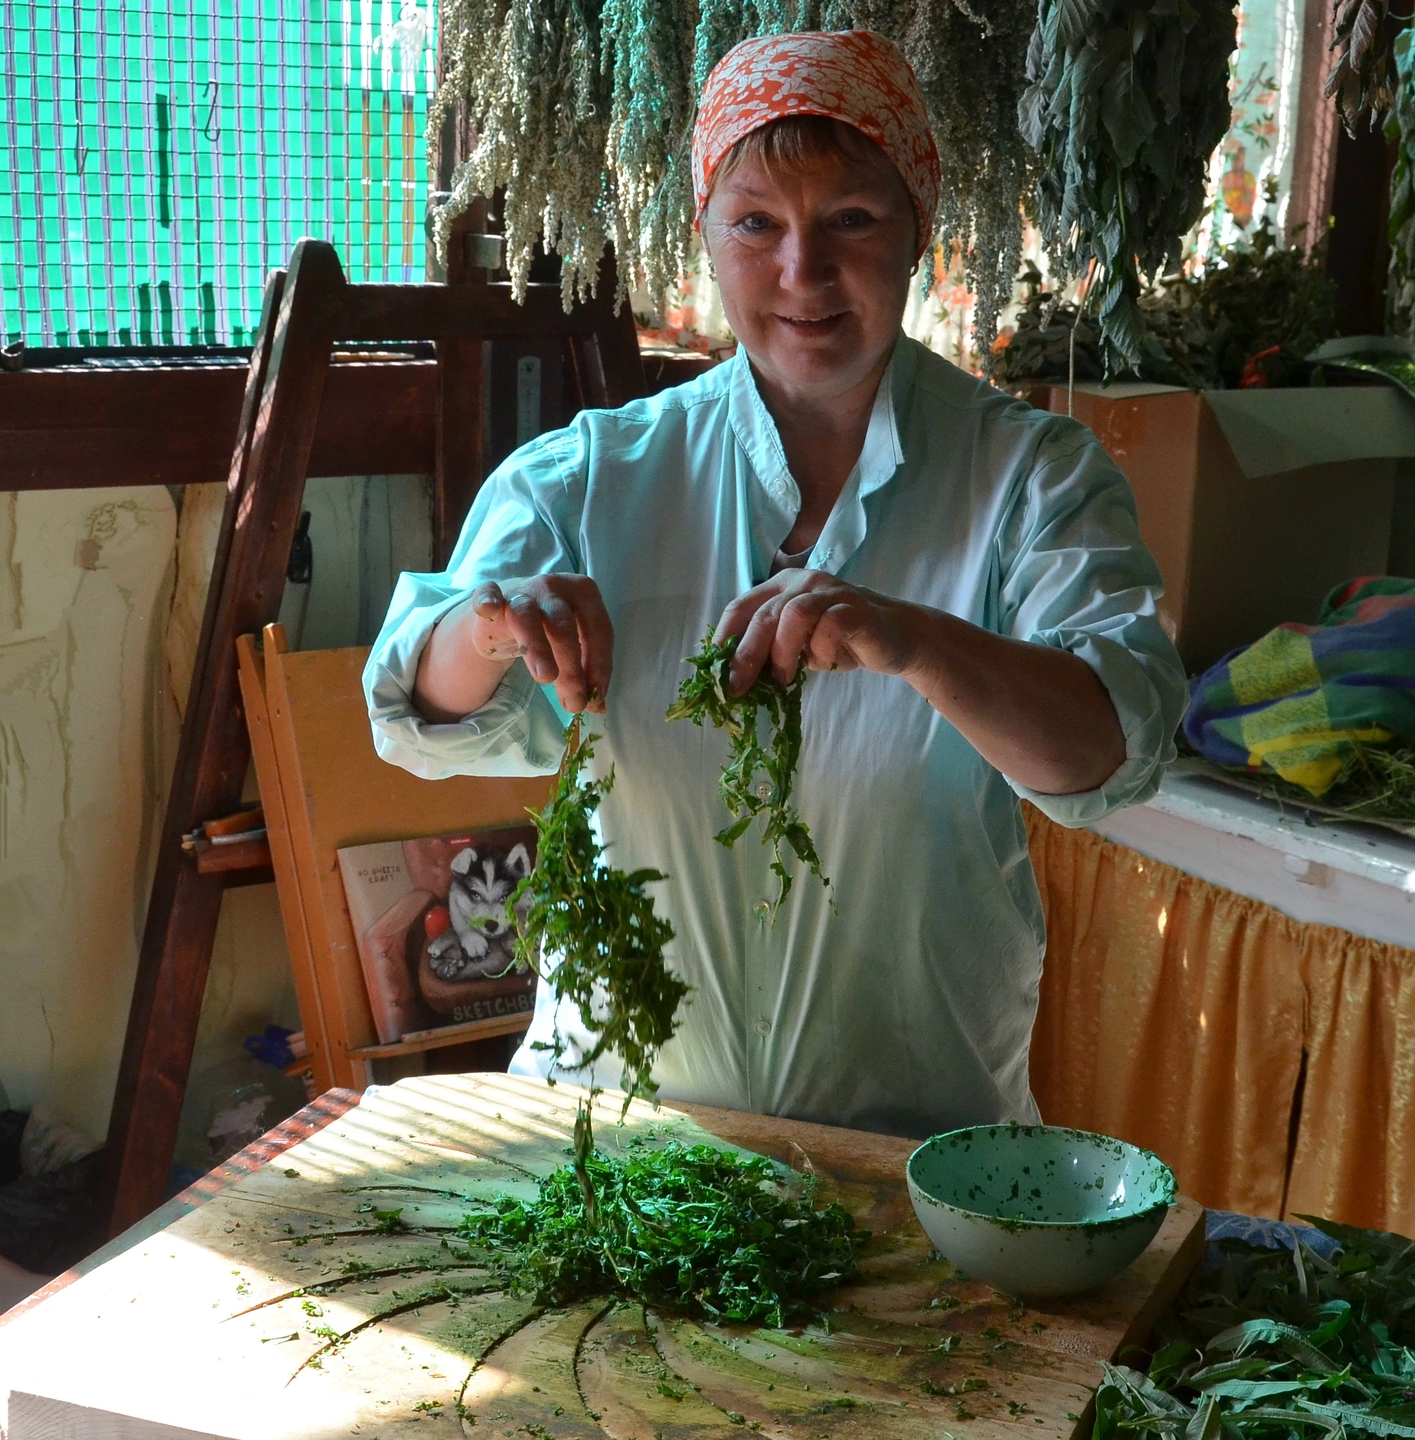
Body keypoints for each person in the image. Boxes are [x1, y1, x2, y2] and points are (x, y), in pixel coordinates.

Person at [364, 29, 1183, 1138]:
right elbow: (418, 710)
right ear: (706, 236)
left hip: (910, 1141)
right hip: (618, 1131)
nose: (803, 272)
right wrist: (497, 627)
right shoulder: (595, 476)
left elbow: (1109, 751)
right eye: (756, 223)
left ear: (917, 231)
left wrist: (917, 643)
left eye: (851, 218)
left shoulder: (1031, 480)